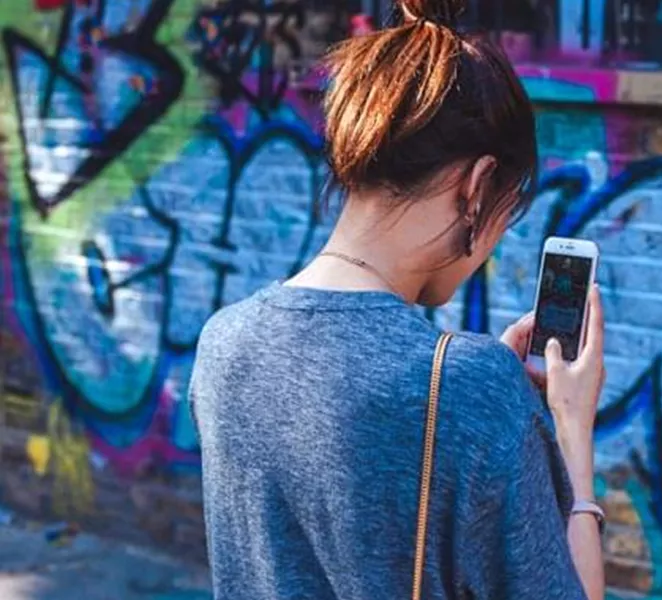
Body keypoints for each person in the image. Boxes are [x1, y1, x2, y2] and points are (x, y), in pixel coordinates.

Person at [187, 0, 607, 598]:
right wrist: (571, 430)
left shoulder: (223, 344)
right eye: (504, 217)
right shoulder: (469, 386)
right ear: (477, 185)